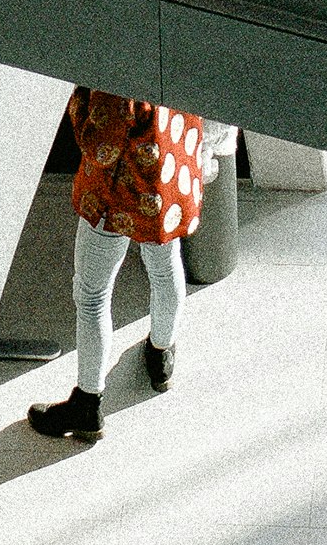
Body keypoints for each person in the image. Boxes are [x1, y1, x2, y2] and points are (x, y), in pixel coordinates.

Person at [33, 85, 204, 448]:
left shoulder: (120, 64)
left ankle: (88, 403)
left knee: (92, 296)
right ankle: (161, 353)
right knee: (164, 267)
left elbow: (100, 146)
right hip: (164, 186)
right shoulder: (178, 41)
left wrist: (79, 98)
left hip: (116, 197)